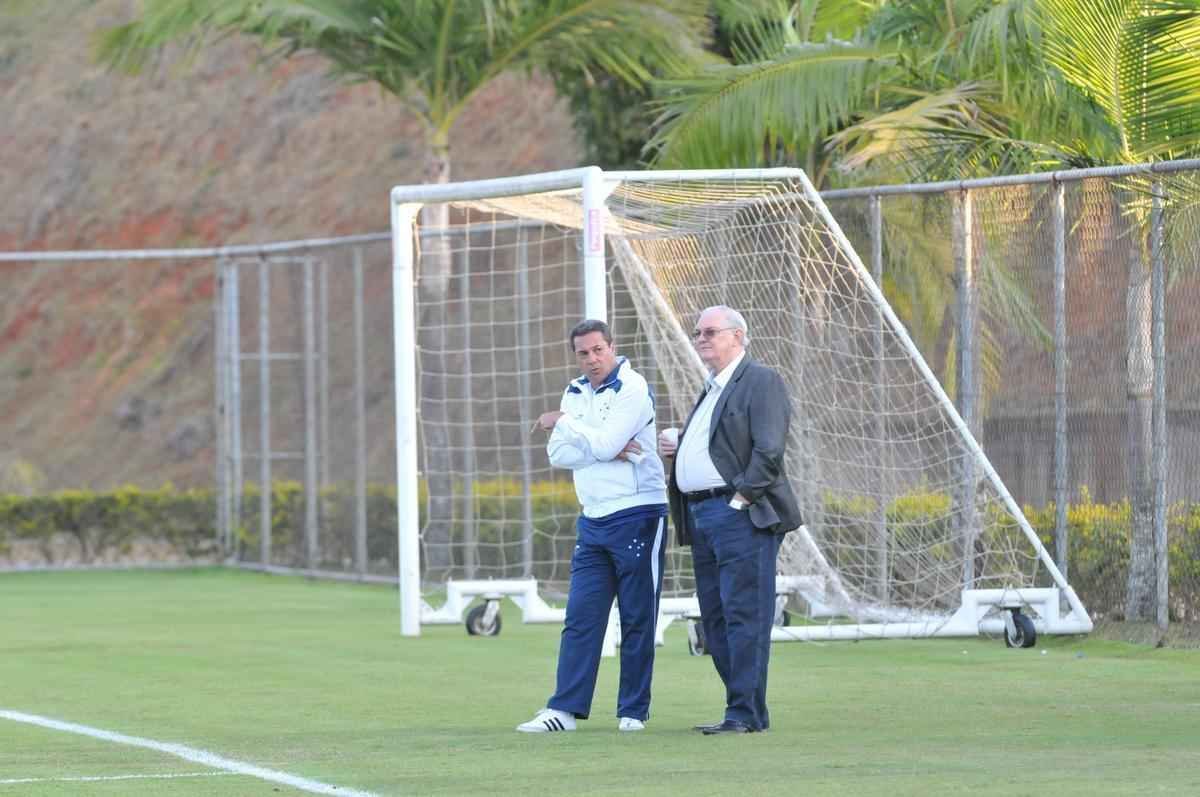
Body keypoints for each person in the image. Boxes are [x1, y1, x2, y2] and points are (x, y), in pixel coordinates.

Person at [516, 319, 669, 733]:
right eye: (583, 353)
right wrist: (603, 447)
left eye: (598, 350)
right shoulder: (575, 390)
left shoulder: (632, 387)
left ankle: (633, 711)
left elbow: (585, 441)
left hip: (638, 514)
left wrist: (564, 423)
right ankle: (564, 710)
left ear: (612, 347)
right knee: (582, 616)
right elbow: (558, 455)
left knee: (638, 617)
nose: (592, 359)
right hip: (593, 518)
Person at [658, 305, 801, 735]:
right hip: (701, 517)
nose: (701, 338)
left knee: (744, 615)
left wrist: (739, 501)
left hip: (739, 516)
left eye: (710, 331)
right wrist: (681, 445)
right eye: (698, 332)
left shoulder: (760, 381)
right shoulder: (712, 388)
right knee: (715, 617)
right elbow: (722, 444)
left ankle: (744, 714)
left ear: (737, 336)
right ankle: (740, 709)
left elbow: (769, 450)